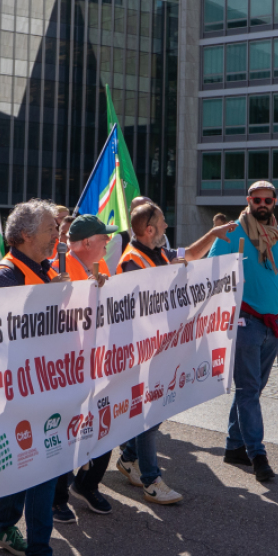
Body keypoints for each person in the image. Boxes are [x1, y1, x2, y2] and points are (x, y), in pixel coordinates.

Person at [187, 181, 278, 484]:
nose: (262, 204)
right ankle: (258, 455)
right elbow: (209, 271)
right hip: (244, 322)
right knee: (248, 391)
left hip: (272, 326)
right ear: (248, 200)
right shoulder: (232, 232)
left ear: (274, 202)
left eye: (268, 200)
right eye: (257, 199)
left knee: (252, 390)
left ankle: (234, 447)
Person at [0, 199, 72, 556]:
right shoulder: (5, 275)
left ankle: (3, 527)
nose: (57, 234)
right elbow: (3, 334)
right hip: (22, 391)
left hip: (46, 384)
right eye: (50, 228)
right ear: (24, 235)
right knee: (42, 466)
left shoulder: (44, 269)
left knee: (26, 462)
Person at [111, 202, 183, 506]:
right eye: (163, 222)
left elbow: (187, 257)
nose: (167, 226)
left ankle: (129, 458)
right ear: (149, 229)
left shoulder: (158, 254)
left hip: (159, 347)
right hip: (142, 352)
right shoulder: (131, 261)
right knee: (148, 414)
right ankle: (151, 480)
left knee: (157, 409)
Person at [50, 214, 116, 519]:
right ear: (88, 242)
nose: (109, 242)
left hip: (96, 364)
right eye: (104, 238)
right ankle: (58, 497)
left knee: (105, 424)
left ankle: (87, 484)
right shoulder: (58, 268)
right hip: (68, 368)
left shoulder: (96, 267)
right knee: (66, 432)